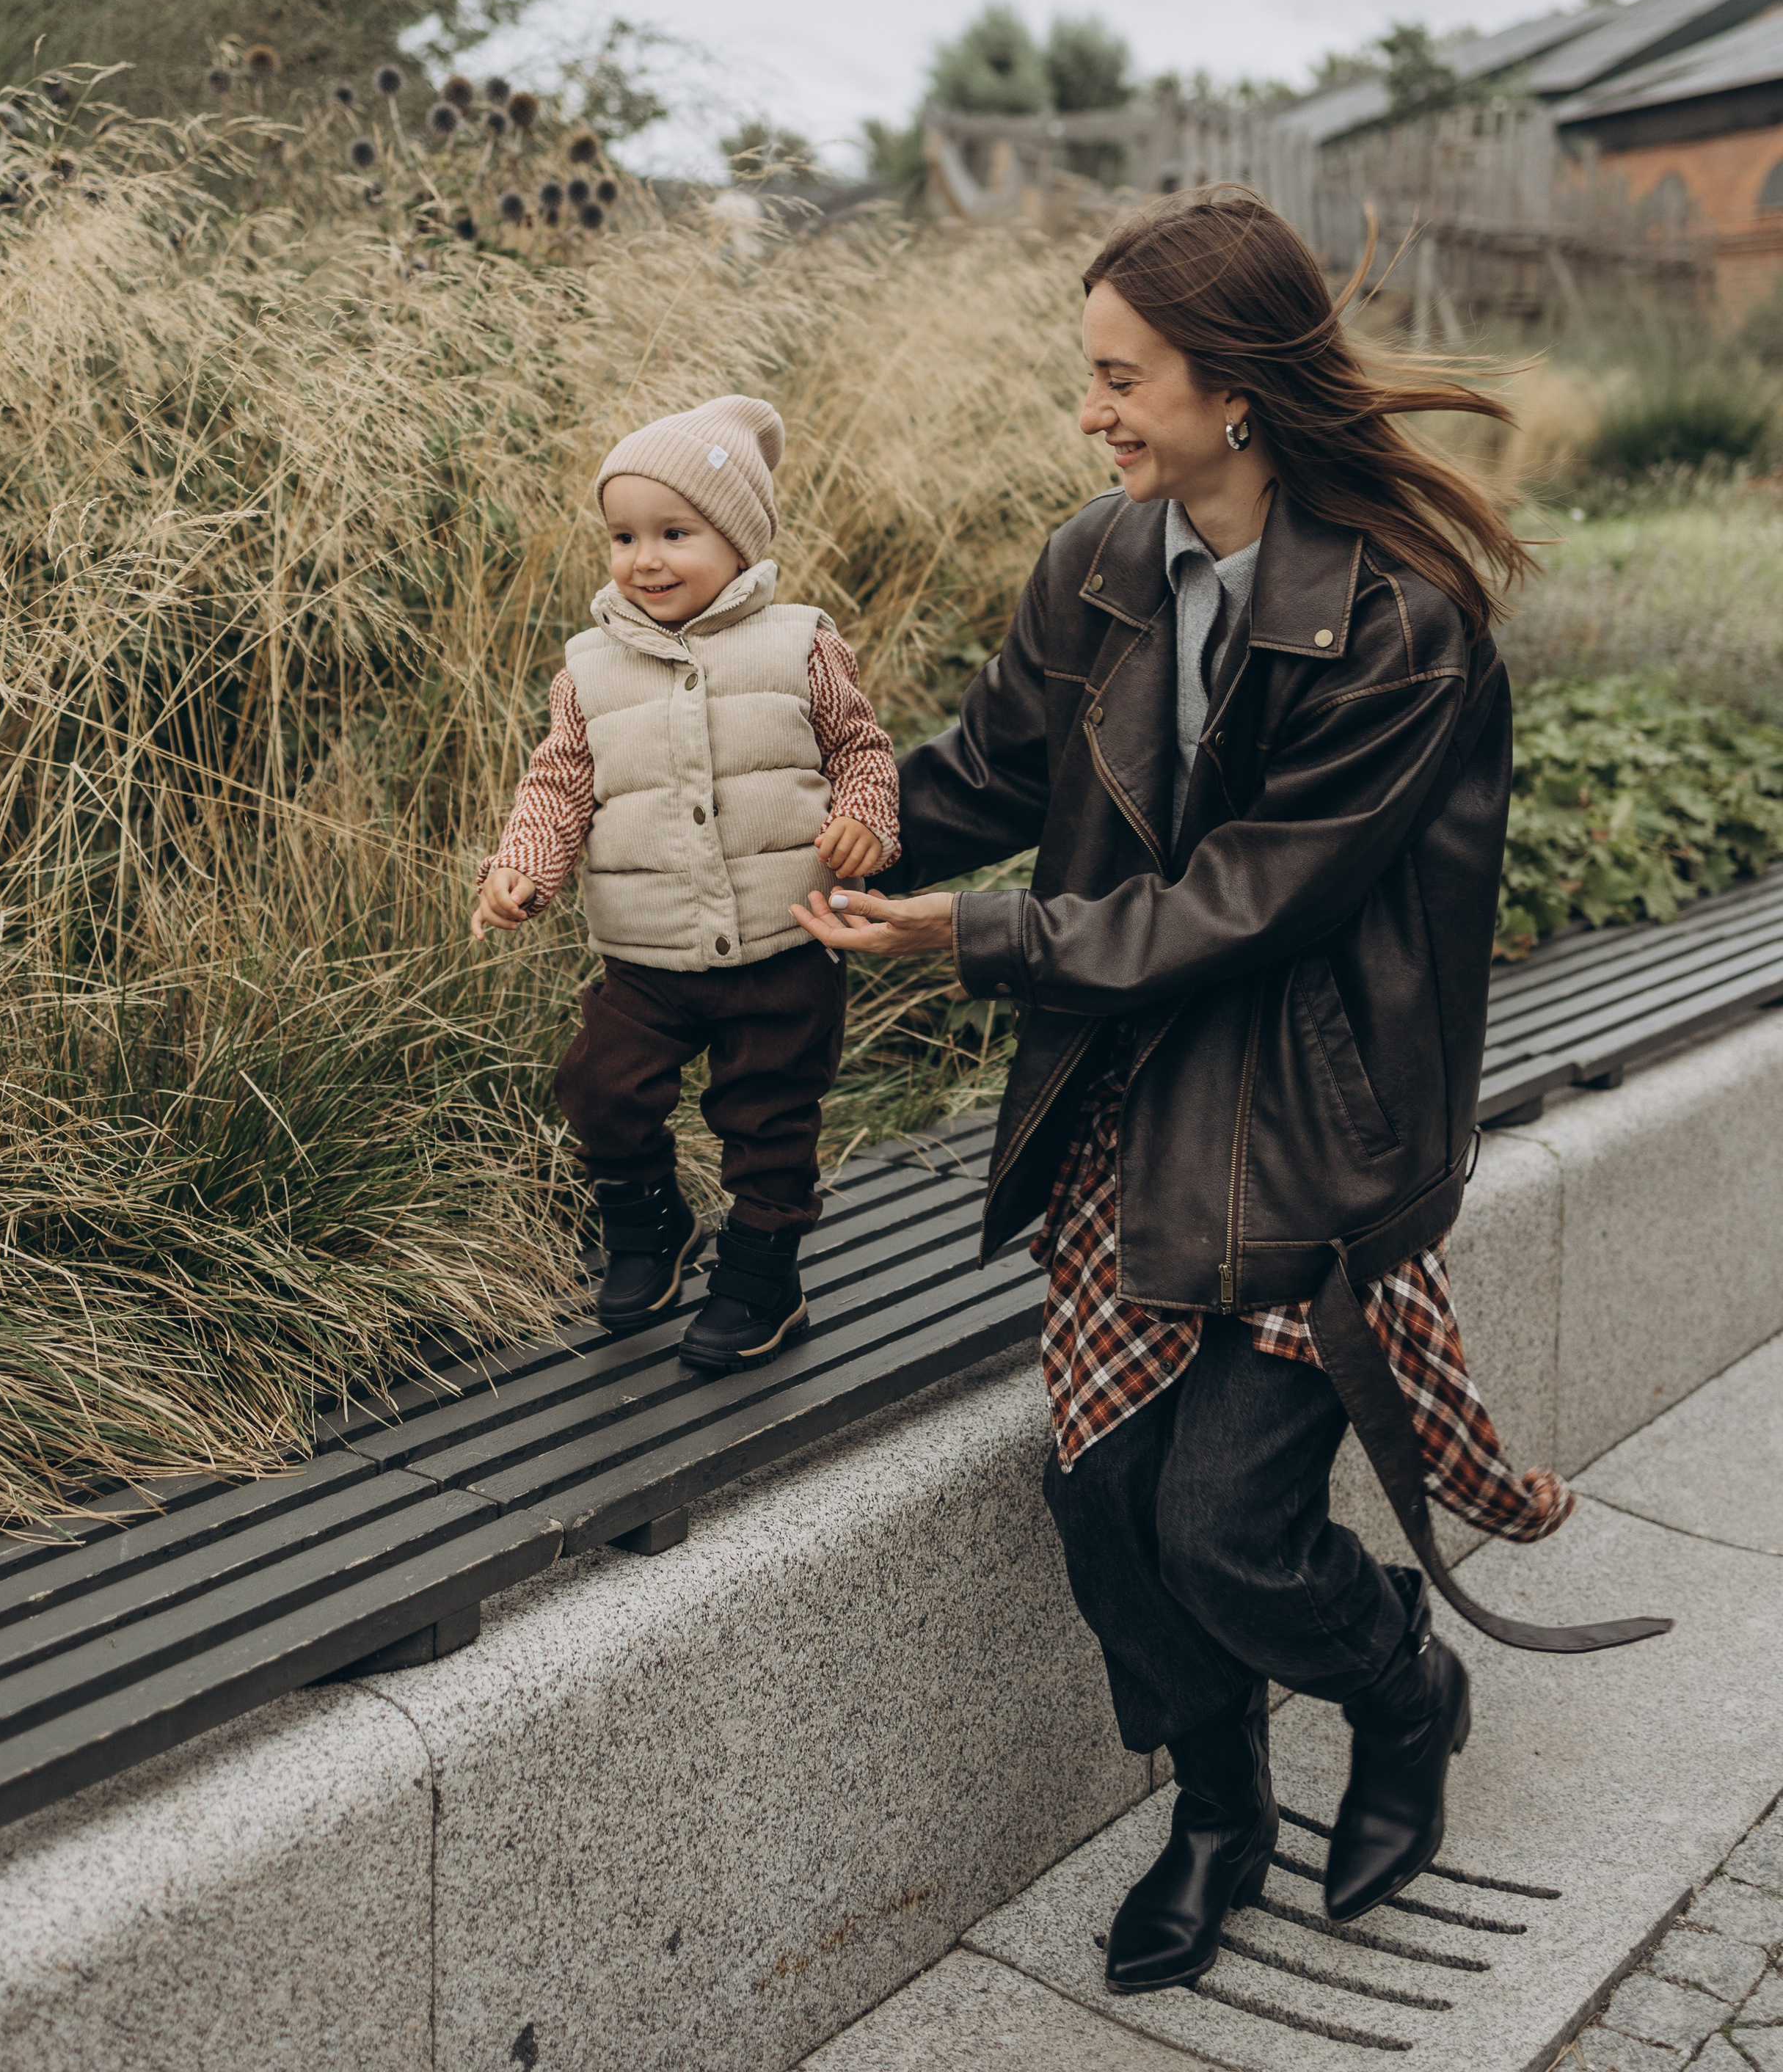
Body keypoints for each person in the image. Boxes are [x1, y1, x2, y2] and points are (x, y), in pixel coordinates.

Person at [792, 191, 1662, 1993]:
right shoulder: (1098, 563)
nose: (1092, 412)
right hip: (1134, 1095)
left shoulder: (1399, 625)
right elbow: (986, 770)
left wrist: (978, 938)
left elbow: (1248, 902)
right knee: (1107, 1509)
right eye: (1087, 378)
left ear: (1234, 388)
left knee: (1225, 1529)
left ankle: (1400, 1686)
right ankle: (1215, 1810)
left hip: (1309, 1127)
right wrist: (812, 832)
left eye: (1119, 378)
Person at [475, 394, 899, 1372]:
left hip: (785, 940)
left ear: (740, 541)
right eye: (623, 536)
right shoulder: (589, 668)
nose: (645, 560)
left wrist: (867, 824)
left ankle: (762, 1277)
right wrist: (521, 872)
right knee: (600, 1087)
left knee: (769, 1116)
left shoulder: (801, 642)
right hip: (647, 950)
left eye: (676, 533)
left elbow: (861, 751)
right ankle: (651, 1223)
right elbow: (559, 782)